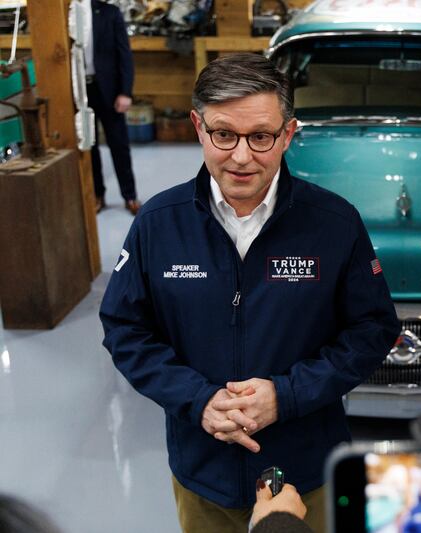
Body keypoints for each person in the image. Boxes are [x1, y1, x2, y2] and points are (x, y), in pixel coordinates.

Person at [100, 53, 400, 533]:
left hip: (305, 475)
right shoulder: (157, 224)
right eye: (224, 134)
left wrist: (287, 395)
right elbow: (125, 329)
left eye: (261, 137)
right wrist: (198, 399)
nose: (241, 157)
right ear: (198, 127)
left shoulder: (334, 224)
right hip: (204, 476)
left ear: (288, 133)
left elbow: (373, 329)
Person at [78, 0, 141, 214]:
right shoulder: (67, 14)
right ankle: (97, 195)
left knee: (119, 144)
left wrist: (125, 92)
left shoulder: (109, 13)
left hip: (108, 89)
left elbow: (124, 54)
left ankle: (130, 196)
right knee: (89, 145)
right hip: (79, 90)